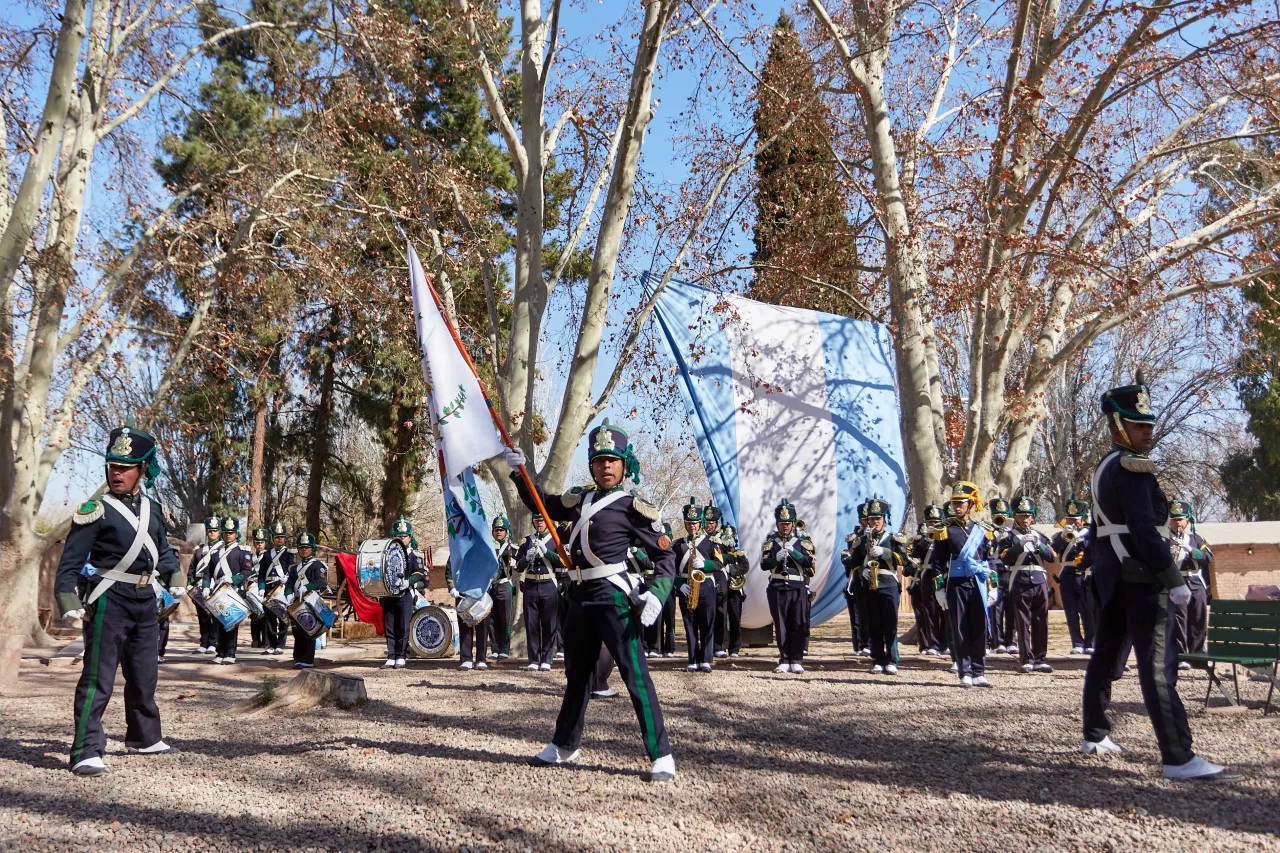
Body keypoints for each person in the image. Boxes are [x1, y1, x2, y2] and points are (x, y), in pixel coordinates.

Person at [1080, 375, 1239, 781]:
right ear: (1118, 425)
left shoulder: (1105, 466)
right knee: (1156, 666)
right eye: (1138, 425)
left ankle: (1095, 733)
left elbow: (1100, 531)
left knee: (1106, 654)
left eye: (1149, 424)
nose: (1147, 431)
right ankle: (1178, 757)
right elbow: (1144, 528)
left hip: (1114, 575)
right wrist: (1173, 578)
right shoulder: (1133, 466)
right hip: (1141, 575)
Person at [505, 419, 678, 781]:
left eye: (612, 460)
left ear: (625, 465)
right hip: (579, 596)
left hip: (613, 596)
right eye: (599, 460)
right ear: (591, 465)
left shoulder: (633, 507)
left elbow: (665, 555)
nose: (605, 466)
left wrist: (659, 594)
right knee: (576, 675)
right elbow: (543, 503)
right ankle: (565, 744)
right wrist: (520, 474)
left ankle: (661, 755)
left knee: (635, 675)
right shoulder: (579, 500)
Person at [54, 426, 182, 776]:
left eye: (125, 467)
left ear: (142, 470)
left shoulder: (153, 509)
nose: (117, 473)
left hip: (145, 600)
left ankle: (143, 736)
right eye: (113, 466)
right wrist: (66, 595)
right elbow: (70, 560)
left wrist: (175, 575)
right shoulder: (95, 509)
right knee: (98, 677)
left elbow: (162, 550)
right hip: (108, 598)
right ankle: (85, 750)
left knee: (144, 674)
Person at [936, 482, 994, 688]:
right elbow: (937, 562)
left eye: (961, 503)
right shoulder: (945, 530)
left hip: (978, 582)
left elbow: (989, 560)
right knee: (959, 628)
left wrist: (993, 586)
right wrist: (939, 588)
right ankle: (965, 671)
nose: (957, 507)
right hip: (957, 583)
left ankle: (979, 671)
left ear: (971, 504)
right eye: (955, 503)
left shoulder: (982, 530)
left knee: (979, 627)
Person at [848, 498, 910, 674]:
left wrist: (885, 552)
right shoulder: (861, 541)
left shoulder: (893, 538)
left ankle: (891, 659)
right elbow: (854, 563)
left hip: (888, 584)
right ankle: (877, 659)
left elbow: (903, 560)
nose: (875, 521)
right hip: (869, 586)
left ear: (884, 519)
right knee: (873, 624)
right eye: (872, 518)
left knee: (890, 624)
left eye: (878, 518)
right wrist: (862, 572)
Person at [999, 495, 1055, 674]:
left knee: (1041, 620)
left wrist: (1041, 546)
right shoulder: (1009, 537)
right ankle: (1026, 659)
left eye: (1028, 515)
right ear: (1015, 516)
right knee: (1022, 622)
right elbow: (1004, 558)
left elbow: (1051, 557)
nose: (1025, 519)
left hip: (1039, 580)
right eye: (1021, 515)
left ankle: (1040, 658)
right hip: (1020, 579)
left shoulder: (1040, 536)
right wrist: (1018, 546)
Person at [761, 499, 815, 674]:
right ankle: (784, 659)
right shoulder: (771, 541)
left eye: (788, 523)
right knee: (781, 624)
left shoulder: (803, 541)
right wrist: (775, 558)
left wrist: (794, 552)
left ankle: (796, 659)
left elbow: (809, 563)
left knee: (798, 623)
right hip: (777, 586)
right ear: (777, 524)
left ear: (793, 523)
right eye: (781, 523)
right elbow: (764, 565)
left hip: (797, 586)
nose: (785, 527)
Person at [673, 498, 719, 673]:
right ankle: (693, 659)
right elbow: (670, 567)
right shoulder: (678, 544)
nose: (692, 526)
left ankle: (706, 659)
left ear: (700, 523)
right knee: (689, 624)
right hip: (686, 587)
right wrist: (678, 584)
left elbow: (719, 563)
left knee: (707, 623)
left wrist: (706, 564)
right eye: (689, 523)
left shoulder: (711, 542)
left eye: (695, 523)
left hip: (706, 585)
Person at [202, 517, 255, 665]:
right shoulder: (215, 553)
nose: (228, 535)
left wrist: (233, 579)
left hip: (233, 591)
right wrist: (206, 586)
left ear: (236, 534)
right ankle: (220, 653)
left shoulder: (242, 552)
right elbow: (207, 572)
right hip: (218, 591)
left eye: (231, 533)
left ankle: (230, 653)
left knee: (231, 622)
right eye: (225, 533)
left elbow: (247, 571)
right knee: (218, 623)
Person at [1167, 500, 1212, 668]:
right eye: (1174, 519)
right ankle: (1181, 656)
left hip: (1195, 582)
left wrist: (1191, 550)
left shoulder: (1195, 539)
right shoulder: (1164, 540)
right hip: (1177, 581)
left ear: (1187, 520)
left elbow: (1208, 557)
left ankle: (1198, 656)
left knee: (1198, 618)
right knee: (1180, 620)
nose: (1177, 522)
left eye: (1180, 519)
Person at [517, 514, 564, 670]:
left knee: (549, 624)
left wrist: (546, 551)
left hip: (548, 584)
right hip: (530, 584)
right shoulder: (527, 541)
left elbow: (563, 562)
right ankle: (534, 659)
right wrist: (526, 558)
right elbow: (518, 567)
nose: (539, 523)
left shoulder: (555, 540)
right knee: (531, 624)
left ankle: (547, 659)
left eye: (542, 521)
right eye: (537, 521)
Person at [382, 518, 427, 668]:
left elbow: (419, 573)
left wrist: (409, 581)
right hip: (389, 593)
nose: (402, 538)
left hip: (405, 593)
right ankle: (391, 655)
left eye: (405, 536)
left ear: (410, 537)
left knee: (402, 625)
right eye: (399, 536)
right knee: (389, 625)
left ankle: (401, 655)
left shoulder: (414, 555)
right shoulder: (387, 553)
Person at [1053, 497, 1095, 654]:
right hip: (1067, 574)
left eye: (1075, 519)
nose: (1072, 522)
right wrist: (1062, 537)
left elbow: (1093, 550)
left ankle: (1091, 642)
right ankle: (1077, 642)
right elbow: (1054, 550)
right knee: (1070, 612)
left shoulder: (1089, 534)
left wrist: (1079, 539)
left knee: (1087, 610)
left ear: (1083, 520)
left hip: (1084, 574)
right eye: (1069, 519)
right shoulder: (1062, 535)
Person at [906, 504, 947, 656]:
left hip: (943, 574)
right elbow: (915, 554)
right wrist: (927, 540)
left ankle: (945, 643)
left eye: (936, 522)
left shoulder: (946, 536)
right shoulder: (922, 539)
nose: (933, 525)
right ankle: (933, 644)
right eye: (930, 522)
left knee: (945, 611)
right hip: (928, 574)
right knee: (930, 610)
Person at [287, 532, 328, 669]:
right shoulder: (294, 569)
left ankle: (308, 659)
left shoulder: (317, 565)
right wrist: (288, 594)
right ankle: (298, 658)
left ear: (312, 549)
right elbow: (289, 584)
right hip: (297, 603)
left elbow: (321, 582)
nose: (304, 549)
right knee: (297, 632)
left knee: (309, 632)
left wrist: (307, 587)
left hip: (310, 602)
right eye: (301, 547)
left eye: (307, 547)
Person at [256, 520, 293, 655]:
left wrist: (287, 579)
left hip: (281, 589)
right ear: (272, 538)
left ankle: (280, 645)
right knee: (269, 618)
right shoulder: (267, 554)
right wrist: (261, 587)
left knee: (282, 617)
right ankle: (272, 644)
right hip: (268, 589)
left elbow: (292, 571)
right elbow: (261, 574)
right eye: (277, 537)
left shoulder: (288, 554)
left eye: (281, 537)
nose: (279, 539)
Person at [447, 557, 490, 671]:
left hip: (481, 591)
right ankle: (466, 659)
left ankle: (481, 659)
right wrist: (452, 587)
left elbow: (492, 567)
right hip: (462, 592)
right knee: (465, 626)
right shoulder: (457, 551)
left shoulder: (483, 550)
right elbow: (450, 569)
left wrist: (489, 583)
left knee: (482, 627)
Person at [987, 498, 1017, 655]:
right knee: (996, 609)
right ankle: (998, 642)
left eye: (1004, 515)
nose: (1001, 518)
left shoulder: (1013, 533)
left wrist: (1008, 536)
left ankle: (1011, 641)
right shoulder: (988, 533)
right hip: (995, 573)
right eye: (997, 516)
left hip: (1010, 572)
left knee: (1012, 608)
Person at [188, 517, 222, 655]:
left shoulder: (222, 549)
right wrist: (190, 583)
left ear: (219, 532)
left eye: (215, 530)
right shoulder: (199, 550)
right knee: (202, 616)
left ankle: (214, 643)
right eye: (210, 530)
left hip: (215, 586)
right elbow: (192, 568)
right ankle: (204, 642)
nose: (212, 533)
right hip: (200, 585)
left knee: (214, 616)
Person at [703, 504, 732, 659]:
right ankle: (707, 644)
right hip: (704, 576)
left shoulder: (724, 538)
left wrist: (719, 558)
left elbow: (733, 556)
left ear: (716, 523)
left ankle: (720, 646)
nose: (709, 526)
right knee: (705, 612)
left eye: (711, 523)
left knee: (721, 611)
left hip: (719, 576)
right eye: (706, 522)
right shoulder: (700, 538)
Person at [841, 502, 868, 655]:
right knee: (858, 614)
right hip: (858, 579)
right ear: (860, 520)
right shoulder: (854, 538)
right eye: (864, 519)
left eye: (870, 518)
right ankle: (860, 644)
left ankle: (873, 643)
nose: (868, 522)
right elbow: (849, 558)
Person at [489, 516, 518, 660]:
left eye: (501, 530)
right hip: (490, 586)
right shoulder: (488, 547)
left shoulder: (513, 549)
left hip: (505, 584)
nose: (498, 532)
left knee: (505, 618)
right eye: (496, 530)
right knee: (491, 619)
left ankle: (504, 648)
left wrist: (515, 563)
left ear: (507, 532)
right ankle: (494, 649)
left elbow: (520, 565)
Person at [719, 525, 749, 658]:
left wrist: (732, 569)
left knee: (735, 619)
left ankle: (735, 648)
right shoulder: (718, 553)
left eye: (730, 537)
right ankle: (721, 646)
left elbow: (745, 566)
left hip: (735, 590)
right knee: (721, 618)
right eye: (726, 537)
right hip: (721, 589)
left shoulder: (739, 553)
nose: (728, 540)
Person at [248, 527, 269, 650]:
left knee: (265, 615)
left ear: (265, 542)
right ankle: (255, 639)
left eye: (262, 542)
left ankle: (266, 640)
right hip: (252, 587)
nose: (259, 544)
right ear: (254, 543)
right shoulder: (250, 557)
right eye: (257, 542)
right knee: (254, 615)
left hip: (263, 587)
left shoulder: (269, 556)